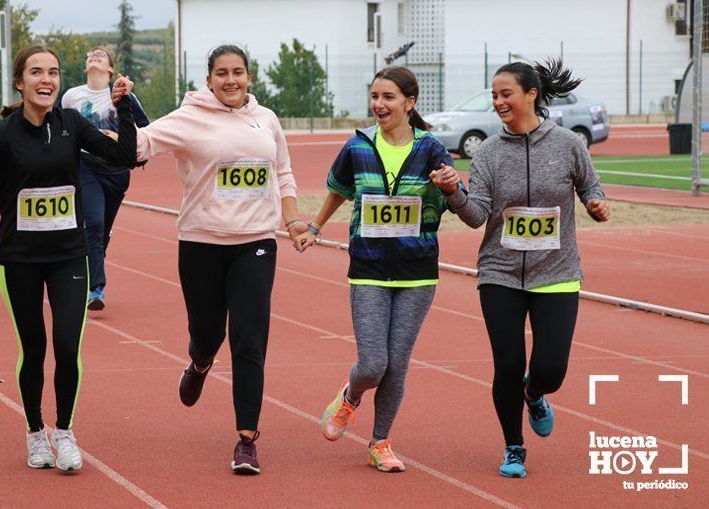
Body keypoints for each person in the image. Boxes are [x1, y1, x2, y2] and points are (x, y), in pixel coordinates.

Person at [0, 46, 138, 473]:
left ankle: (64, 432)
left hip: (69, 256)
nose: (46, 79)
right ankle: (35, 432)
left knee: (68, 348)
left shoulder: (72, 124)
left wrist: (123, 110)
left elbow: (125, 156)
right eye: (36, 72)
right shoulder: (2, 133)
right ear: (20, 82)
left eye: (52, 72)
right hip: (20, 259)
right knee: (34, 349)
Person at [430, 59, 610, 479]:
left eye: (505, 93)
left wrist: (596, 204)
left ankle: (535, 393)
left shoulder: (567, 143)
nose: (498, 102)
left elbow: (590, 185)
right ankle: (514, 447)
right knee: (507, 363)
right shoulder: (489, 152)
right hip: (501, 273)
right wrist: (454, 193)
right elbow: (478, 217)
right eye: (494, 95)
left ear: (531, 94)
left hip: (558, 271)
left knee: (551, 370)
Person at [133, 44, 304, 475]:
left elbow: (282, 171)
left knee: (248, 340)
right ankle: (200, 360)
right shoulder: (190, 117)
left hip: (257, 243)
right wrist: (116, 102)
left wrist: (294, 219)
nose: (231, 80)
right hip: (201, 243)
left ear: (250, 77)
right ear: (208, 79)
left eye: (239, 72)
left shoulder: (266, 119)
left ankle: (247, 440)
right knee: (208, 332)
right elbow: (141, 143)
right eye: (222, 73)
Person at [295, 66, 454, 473]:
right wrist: (314, 227)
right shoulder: (359, 144)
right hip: (367, 267)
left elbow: (459, 197)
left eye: (388, 98)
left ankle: (380, 442)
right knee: (373, 364)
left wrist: (450, 184)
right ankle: (350, 395)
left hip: (417, 270)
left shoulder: (431, 148)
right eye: (375, 97)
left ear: (409, 103)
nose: (379, 105)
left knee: (397, 364)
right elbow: (338, 189)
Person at [58, 46, 150, 310]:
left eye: (101, 54)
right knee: (94, 224)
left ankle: (91, 264)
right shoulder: (71, 97)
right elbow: (56, 124)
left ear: (110, 69)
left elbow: (146, 133)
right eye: (90, 55)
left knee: (102, 230)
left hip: (117, 172)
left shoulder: (124, 96)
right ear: (86, 67)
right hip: (85, 167)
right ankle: (96, 289)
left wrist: (120, 139)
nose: (94, 55)